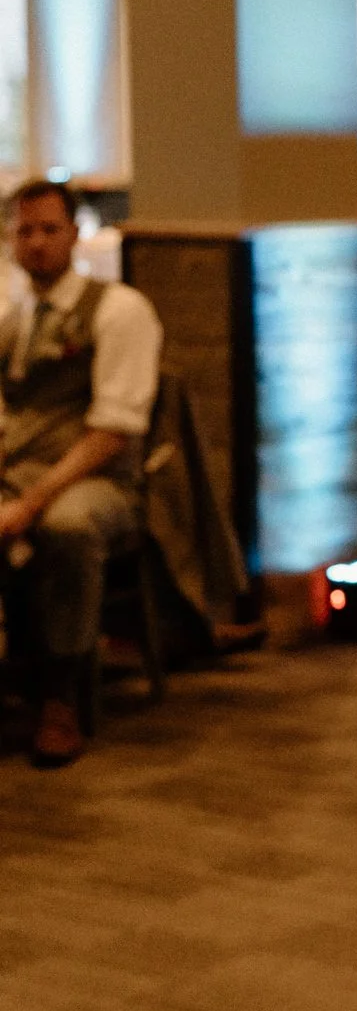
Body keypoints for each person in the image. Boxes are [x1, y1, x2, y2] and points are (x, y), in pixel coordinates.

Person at [0, 181, 164, 768]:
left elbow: (112, 433)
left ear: (73, 234)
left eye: (49, 229)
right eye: (25, 231)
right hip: (19, 472)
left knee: (66, 526)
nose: (37, 243)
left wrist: (31, 503)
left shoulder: (119, 310)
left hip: (100, 482)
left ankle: (59, 697)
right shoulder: (14, 316)